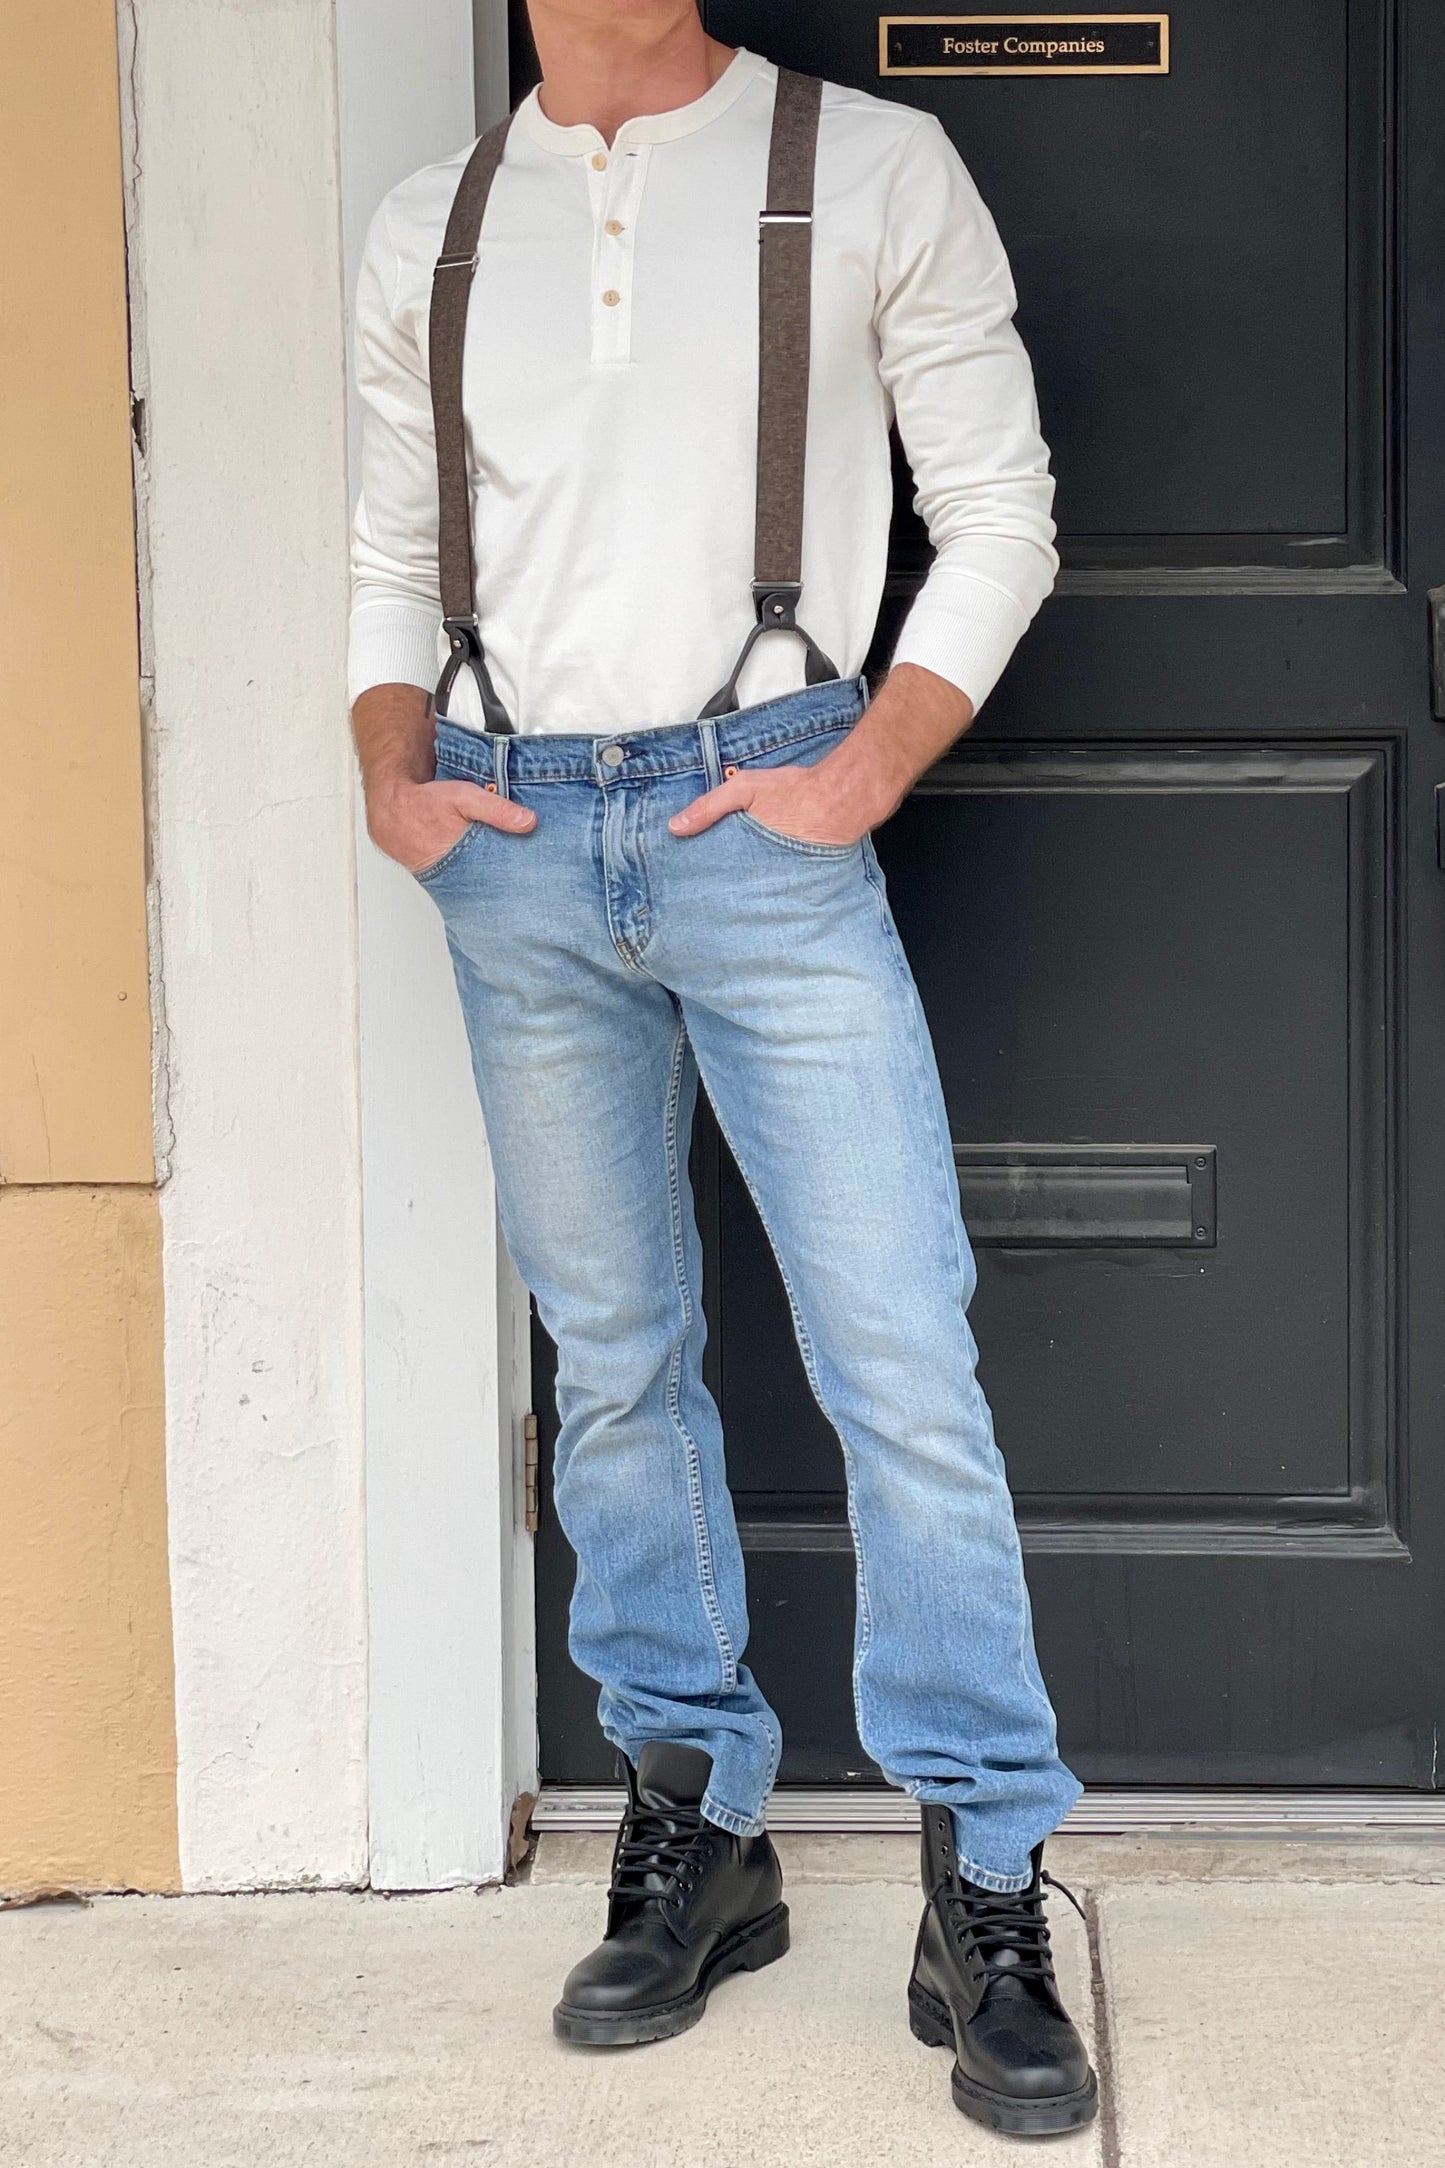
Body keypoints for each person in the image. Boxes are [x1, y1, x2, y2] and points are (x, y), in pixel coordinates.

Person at [349, 0, 1095, 2137]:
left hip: (765, 815)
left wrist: (862, 764)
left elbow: (1002, 512)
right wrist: (391, 771)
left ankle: (982, 1871)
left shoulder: (869, 167)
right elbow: (394, 548)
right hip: (508, 839)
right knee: (610, 1354)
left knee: (898, 1354)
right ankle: (701, 1811)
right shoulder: (436, 215)